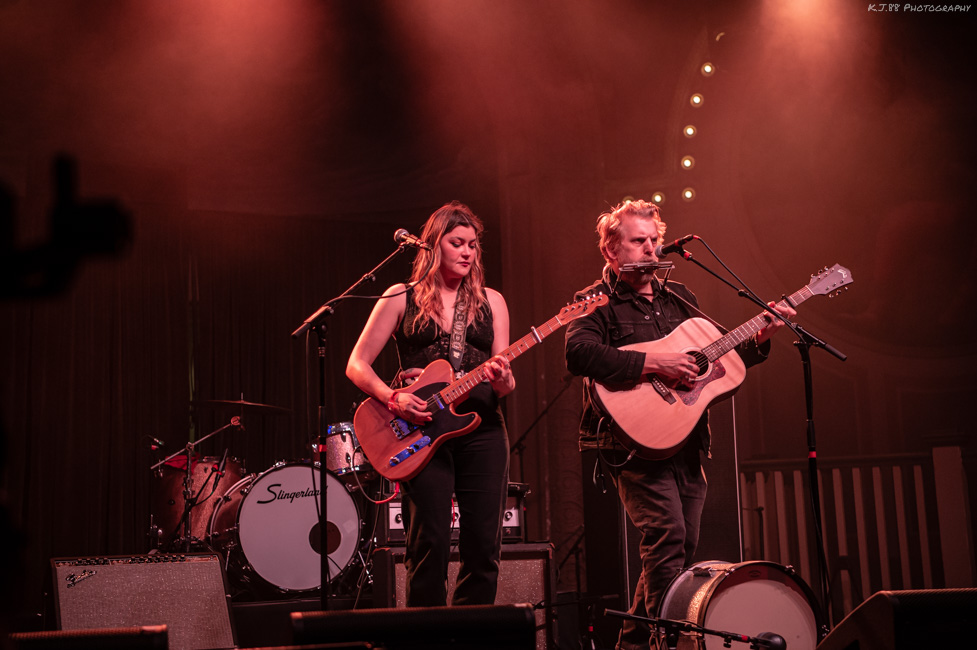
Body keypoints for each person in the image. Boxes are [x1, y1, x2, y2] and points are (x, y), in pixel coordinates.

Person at [564, 200, 795, 649]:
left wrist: (762, 336)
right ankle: (669, 645)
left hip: (685, 438)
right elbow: (579, 354)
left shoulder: (680, 298)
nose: (651, 248)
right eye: (638, 241)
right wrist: (656, 361)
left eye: (653, 239)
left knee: (679, 545)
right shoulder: (595, 301)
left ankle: (633, 644)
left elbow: (720, 358)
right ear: (612, 250)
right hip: (630, 442)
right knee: (667, 536)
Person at [346, 201, 515, 607]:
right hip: (420, 431)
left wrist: (505, 379)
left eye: (473, 245)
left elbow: (506, 381)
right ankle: (426, 637)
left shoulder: (492, 301)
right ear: (432, 245)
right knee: (430, 542)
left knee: (482, 546)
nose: (467, 252)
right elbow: (356, 364)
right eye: (457, 243)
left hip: (483, 428)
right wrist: (393, 397)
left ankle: (471, 638)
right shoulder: (400, 297)